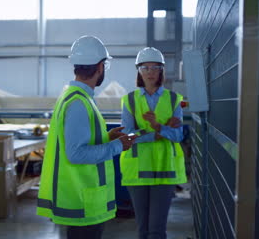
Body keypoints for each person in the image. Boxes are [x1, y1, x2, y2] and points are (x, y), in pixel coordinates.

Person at [37, 35, 137, 239]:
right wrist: (117, 146)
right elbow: (76, 154)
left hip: (81, 198)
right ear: (100, 67)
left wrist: (106, 137)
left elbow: (78, 141)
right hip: (81, 200)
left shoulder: (75, 98)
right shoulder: (78, 103)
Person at [120, 47, 186, 239]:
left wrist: (157, 126)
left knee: (157, 230)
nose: (150, 72)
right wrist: (159, 132)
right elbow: (128, 136)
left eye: (155, 67)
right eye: (145, 68)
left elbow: (178, 135)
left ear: (161, 70)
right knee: (143, 229)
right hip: (137, 170)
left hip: (164, 171)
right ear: (139, 71)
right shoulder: (129, 100)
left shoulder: (174, 100)